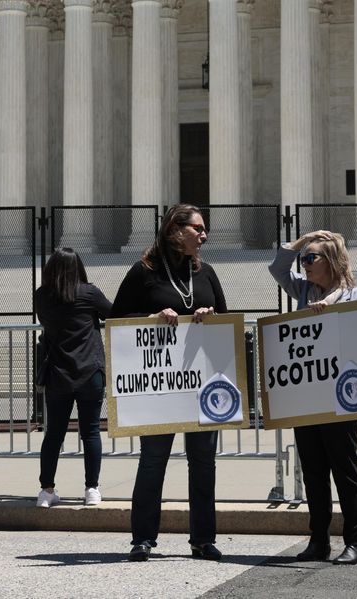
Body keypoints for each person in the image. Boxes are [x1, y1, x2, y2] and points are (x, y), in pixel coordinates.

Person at [111, 203, 227, 562]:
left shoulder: (205, 273)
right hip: (159, 387)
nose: (204, 235)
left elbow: (226, 316)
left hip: (201, 384)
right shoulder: (144, 272)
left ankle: (203, 539)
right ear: (176, 231)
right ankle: (143, 538)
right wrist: (151, 316)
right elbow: (117, 318)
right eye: (197, 228)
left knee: (203, 462)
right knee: (153, 460)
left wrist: (210, 316)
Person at [268, 230, 357, 565]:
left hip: (341, 397)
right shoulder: (302, 290)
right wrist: (303, 240)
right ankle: (318, 540)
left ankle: (356, 542)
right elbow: (278, 270)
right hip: (307, 397)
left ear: (331, 261)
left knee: (344, 470)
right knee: (313, 472)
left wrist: (329, 306)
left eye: (311, 258)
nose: (305, 264)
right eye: (305, 258)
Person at [33, 248, 112, 508]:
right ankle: (92, 489)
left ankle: (46, 490)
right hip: (90, 370)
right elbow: (112, 314)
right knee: (90, 432)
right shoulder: (88, 293)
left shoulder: (42, 296)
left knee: (54, 433)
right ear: (77, 267)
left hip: (58, 373)